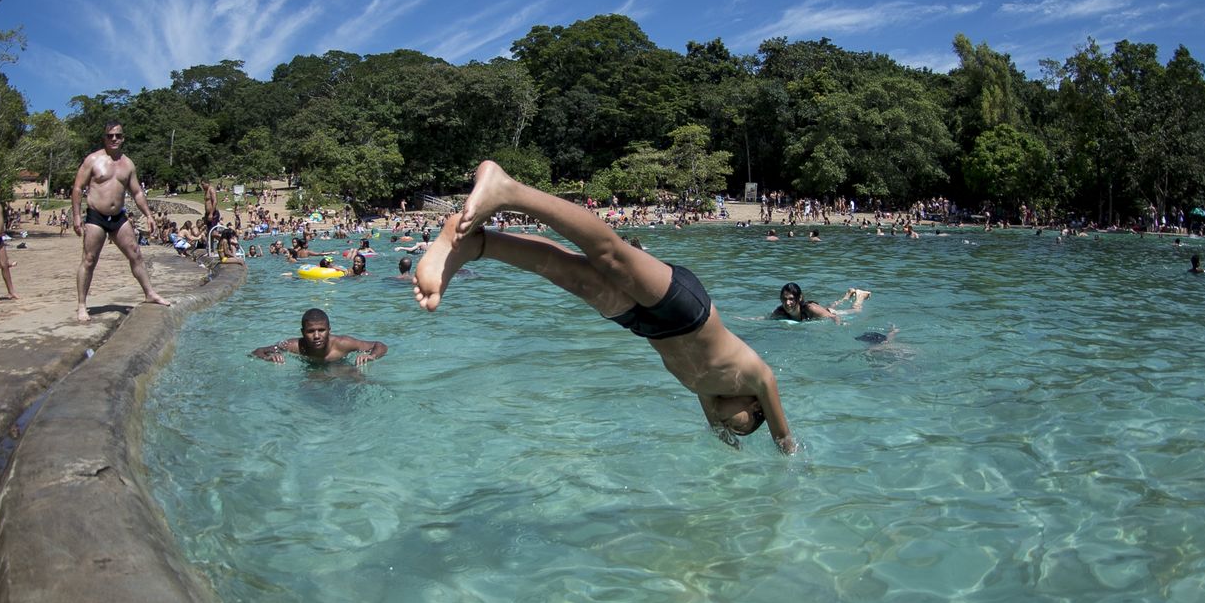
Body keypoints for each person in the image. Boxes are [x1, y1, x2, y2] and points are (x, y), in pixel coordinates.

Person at [414, 160, 796, 453]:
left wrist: (731, 447)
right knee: (608, 255)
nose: (734, 425)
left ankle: (476, 245)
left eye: (735, 428)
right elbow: (783, 435)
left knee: (566, 273)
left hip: (646, 326)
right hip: (688, 311)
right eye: (747, 422)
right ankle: (508, 190)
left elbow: (719, 426)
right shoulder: (756, 377)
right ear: (757, 405)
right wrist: (789, 455)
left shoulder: (707, 393)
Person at [73, 121, 172, 322]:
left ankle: (149, 293)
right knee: (89, 259)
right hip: (96, 216)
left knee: (135, 254)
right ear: (105, 138)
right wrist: (76, 215)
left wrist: (148, 215)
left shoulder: (128, 164)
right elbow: (77, 188)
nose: (114, 139)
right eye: (110, 136)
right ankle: (82, 305)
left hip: (118, 217)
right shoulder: (93, 160)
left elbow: (137, 192)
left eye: (118, 135)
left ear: (123, 138)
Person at [250, 308, 387, 366]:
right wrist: (268, 357)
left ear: (329, 330)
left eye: (321, 330)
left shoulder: (343, 343)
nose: (316, 336)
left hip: (341, 367)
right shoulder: (294, 346)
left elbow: (379, 345)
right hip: (312, 371)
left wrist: (371, 356)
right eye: (311, 331)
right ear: (303, 332)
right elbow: (257, 351)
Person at [770, 283, 839, 322]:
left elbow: (834, 317)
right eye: (784, 299)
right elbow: (766, 318)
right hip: (821, 310)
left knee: (848, 311)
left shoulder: (811, 308)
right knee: (828, 307)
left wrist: (840, 324)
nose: (787, 303)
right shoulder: (779, 311)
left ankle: (845, 298)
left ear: (799, 298)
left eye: (791, 299)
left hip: (831, 312)